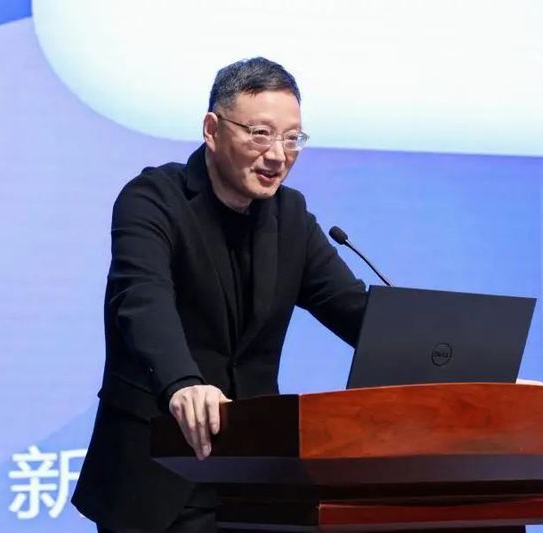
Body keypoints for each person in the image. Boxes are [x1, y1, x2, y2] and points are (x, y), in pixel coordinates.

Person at [71, 57, 368, 532]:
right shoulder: (153, 199)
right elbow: (142, 299)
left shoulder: (291, 217)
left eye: (292, 138)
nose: (278, 155)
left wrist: (458, 362)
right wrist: (182, 384)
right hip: (156, 474)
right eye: (260, 134)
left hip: (254, 483)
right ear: (212, 129)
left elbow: (354, 311)